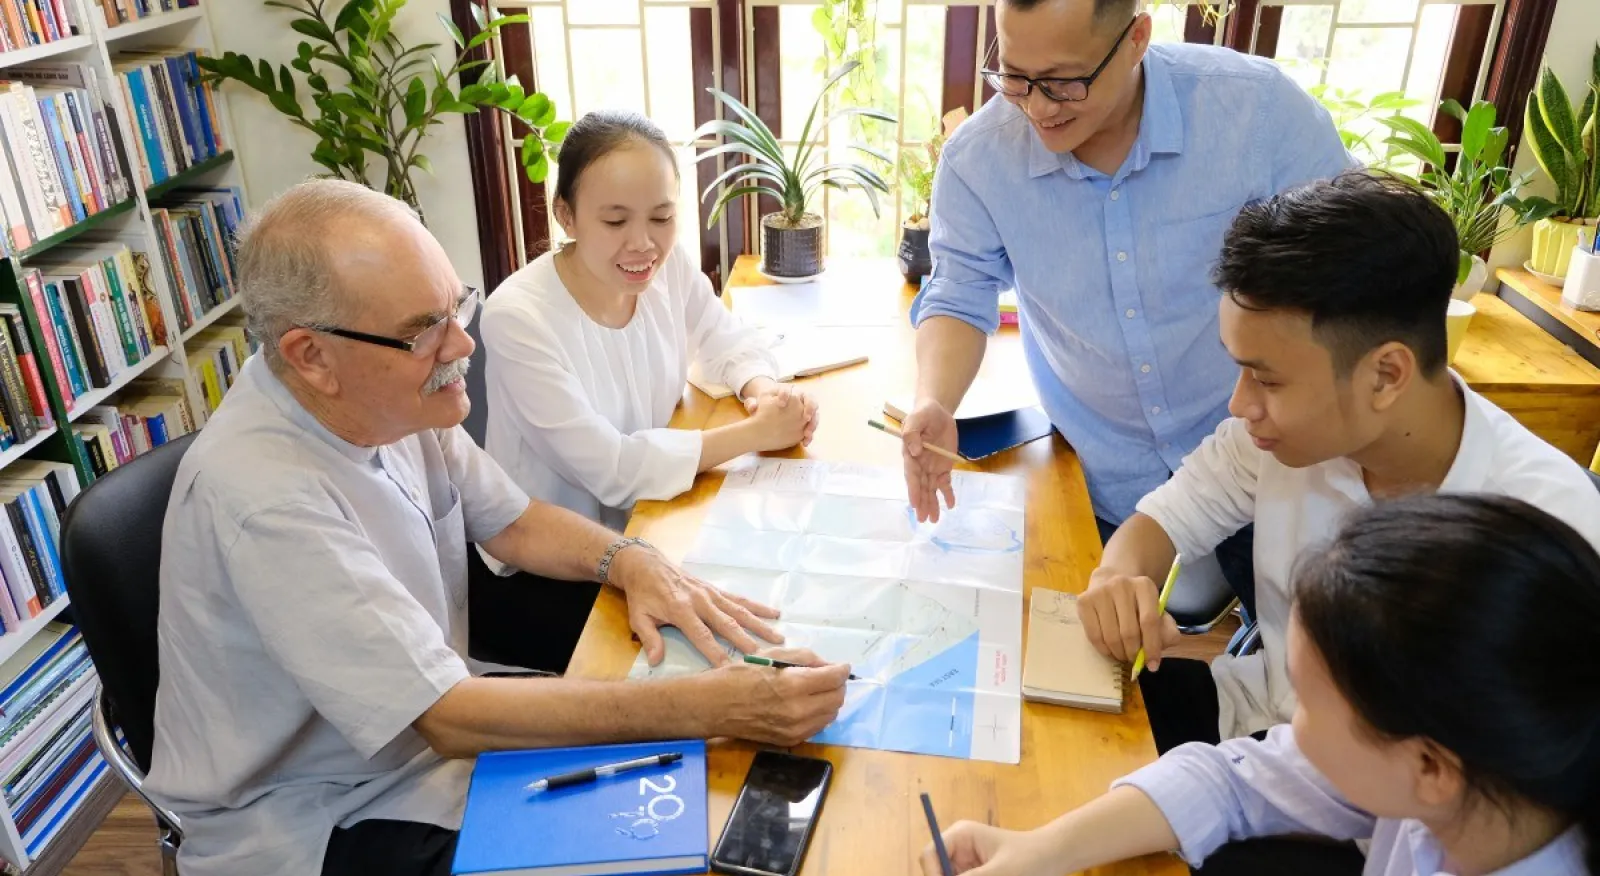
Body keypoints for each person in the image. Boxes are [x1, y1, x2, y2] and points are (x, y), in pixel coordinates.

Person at [145, 179, 850, 876]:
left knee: (691, 793)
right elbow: (448, 717)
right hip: (317, 815)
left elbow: (512, 521)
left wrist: (633, 560)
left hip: (424, 743)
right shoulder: (266, 496)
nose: (462, 345)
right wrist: (705, 708)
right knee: (670, 817)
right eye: (425, 332)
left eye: (456, 308)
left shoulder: (383, 399)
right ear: (311, 355)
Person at [1078, 171, 1600, 755]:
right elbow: (1170, 516)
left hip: (1374, 814)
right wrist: (1118, 576)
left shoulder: (1547, 532)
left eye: (1267, 379)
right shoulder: (1280, 441)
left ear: (1386, 374)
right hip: (1252, 721)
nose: (1240, 404)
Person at [898, 0, 1350, 628]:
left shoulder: (1256, 113)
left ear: (1137, 38)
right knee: (1125, 678)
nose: (1037, 107)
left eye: (1064, 82)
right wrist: (936, 402)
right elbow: (959, 291)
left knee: (1311, 658)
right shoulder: (980, 159)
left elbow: (1356, 270)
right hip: (1110, 477)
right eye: (1015, 76)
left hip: (1269, 461)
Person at [921, 494, 1600, 876]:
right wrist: (1040, 852)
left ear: (1429, 766)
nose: (1287, 726)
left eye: (1306, 703)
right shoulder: (1473, 777)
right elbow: (1239, 779)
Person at [481, 110, 818, 535]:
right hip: (559, 557)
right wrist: (755, 433)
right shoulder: (517, 318)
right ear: (565, 215)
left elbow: (724, 337)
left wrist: (766, 393)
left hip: (652, 516)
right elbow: (613, 470)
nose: (643, 244)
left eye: (661, 217)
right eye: (615, 221)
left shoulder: (666, 265)